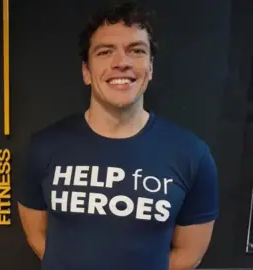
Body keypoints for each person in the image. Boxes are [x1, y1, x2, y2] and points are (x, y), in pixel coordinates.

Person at [16, 1, 219, 270]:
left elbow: (188, 254)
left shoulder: (193, 155)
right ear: (86, 72)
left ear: (150, 68)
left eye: (136, 51)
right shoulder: (44, 147)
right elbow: (38, 236)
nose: (121, 62)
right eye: (105, 52)